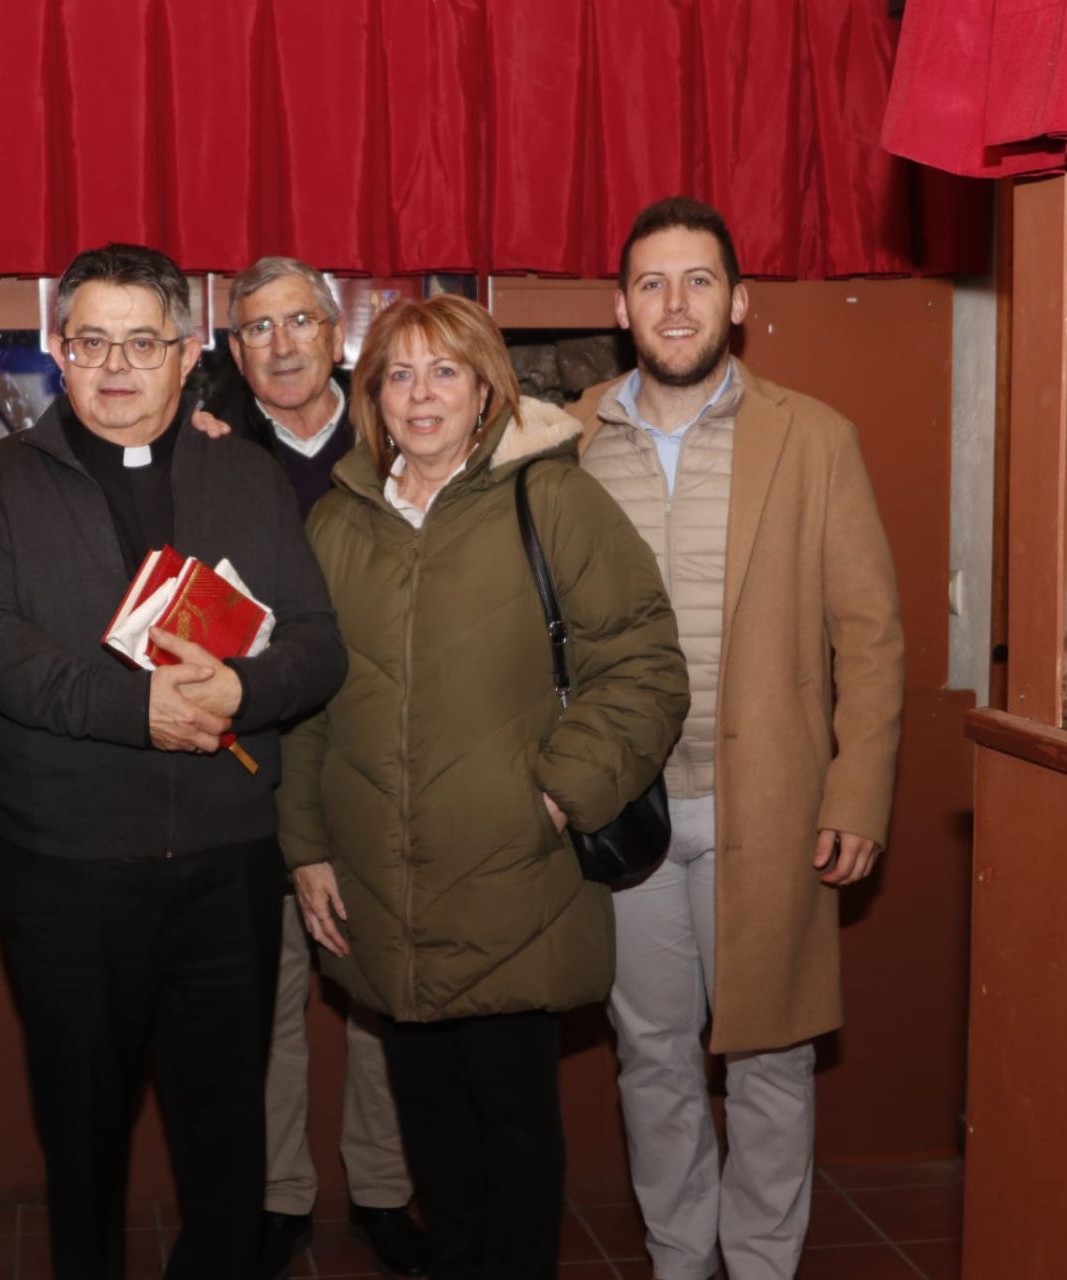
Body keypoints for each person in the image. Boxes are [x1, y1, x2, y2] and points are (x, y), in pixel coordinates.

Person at [0, 243, 347, 1279]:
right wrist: (140, 710)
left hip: (226, 864)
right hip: (68, 869)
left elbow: (317, 641)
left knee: (227, 1135)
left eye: (141, 342)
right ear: (58, 351)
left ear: (184, 355)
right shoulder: (5, 478)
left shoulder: (243, 473)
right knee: (83, 1136)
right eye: (91, 342)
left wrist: (242, 693)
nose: (116, 366)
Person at [280, 294, 689, 1278]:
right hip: (383, 880)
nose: (422, 395)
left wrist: (560, 790)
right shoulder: (338, 522)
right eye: (399, 374)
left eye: (445, 372)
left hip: (518, 872)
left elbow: (644, 662)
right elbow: (309, 703)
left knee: (510, 1121)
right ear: (373, 393)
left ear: (484, 390)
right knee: (430, 1119)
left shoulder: (549, 499)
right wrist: (307, 846)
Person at [567, 196, 904, 1280]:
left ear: (740, 301)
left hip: (777, 806)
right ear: (621, 307)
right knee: (652, 1054)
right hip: (628, 815)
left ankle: (761, 1261)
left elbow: (875, 633)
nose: (677, 303)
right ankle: (679, 1252)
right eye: (654, 283)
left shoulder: (815, 437)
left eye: (699, 280)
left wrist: (859, 792)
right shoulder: (561, 443)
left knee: (772, 1050)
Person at [199, 256, 432, 1279]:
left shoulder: (395, 432)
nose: (282, 344)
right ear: (233, 348)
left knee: (378, 989)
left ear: (336, 332)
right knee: (271, 992)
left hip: (378, 759)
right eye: (257, 328)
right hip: (250, 764)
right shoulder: (204, 451)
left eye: (299, 321)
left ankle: (383, 1187)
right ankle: (280, 1194)